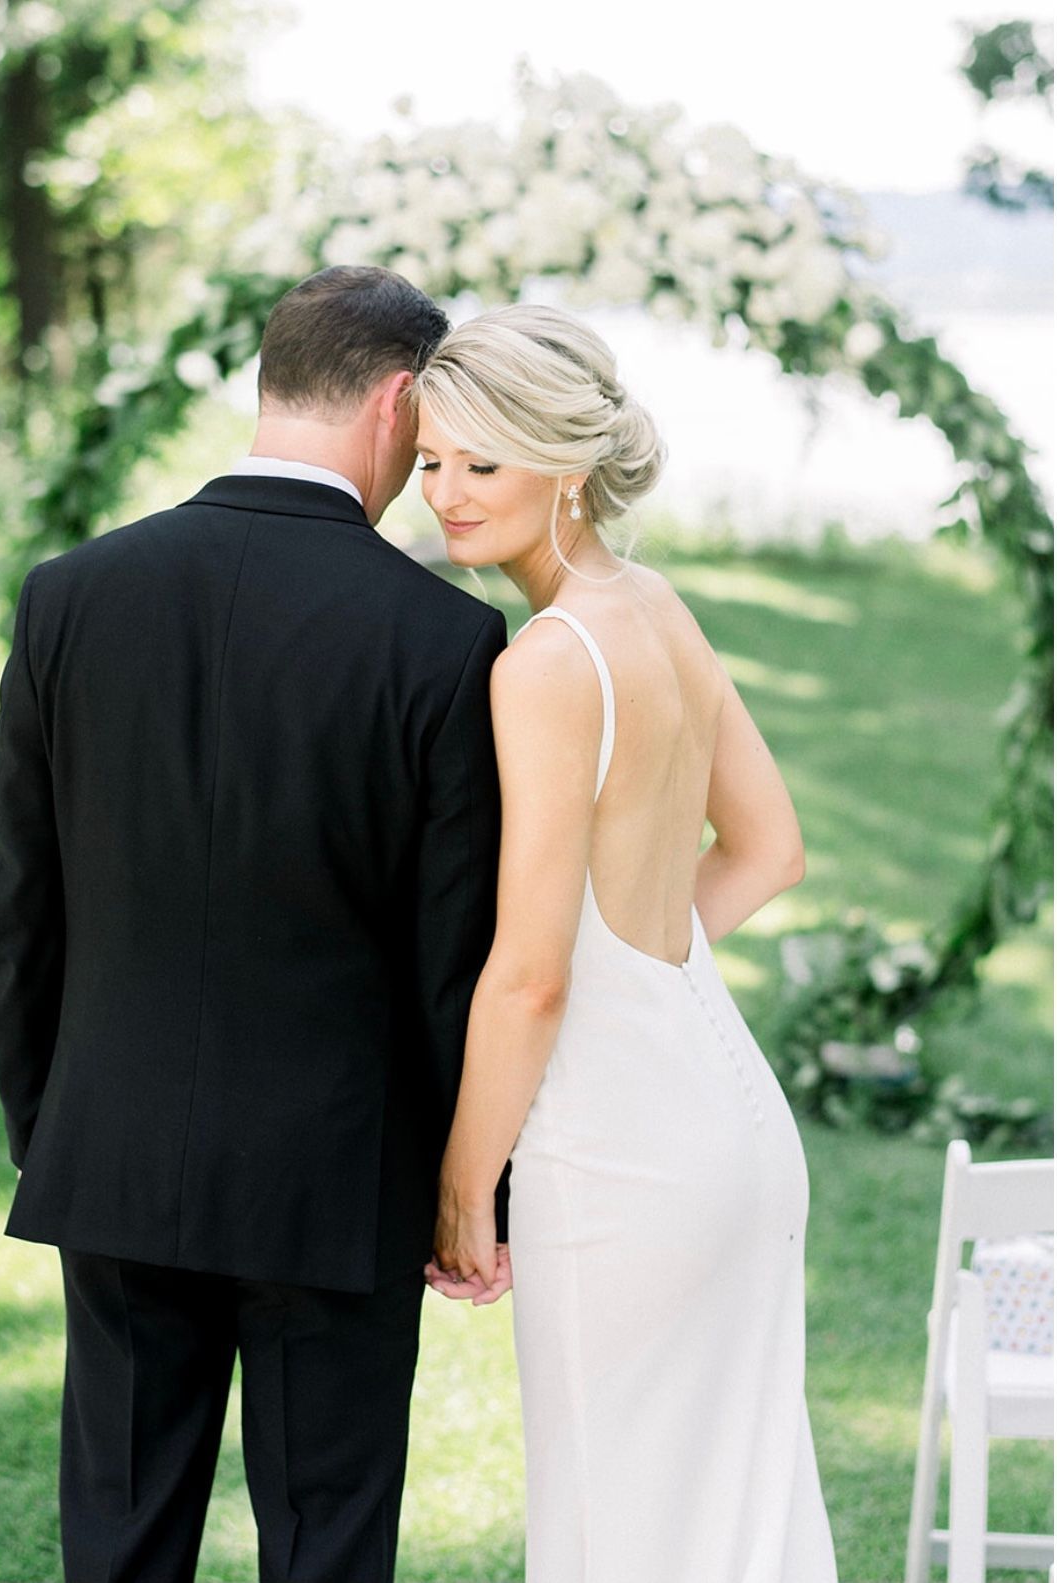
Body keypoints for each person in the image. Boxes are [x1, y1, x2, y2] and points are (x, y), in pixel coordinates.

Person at [0, 264, 510, 1583]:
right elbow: (456, 955)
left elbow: (23, 907)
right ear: (400, 399)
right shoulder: (445, 641)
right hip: (340, 1183)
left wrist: (48, 1123)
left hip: (115, 1153)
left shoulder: (68, 594)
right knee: (328, 1544)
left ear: (269, 382)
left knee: (119, 1538)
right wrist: (467, 1189)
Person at [416, 304, 840, 1580]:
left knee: (614, 1531)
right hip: (735, 1132)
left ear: (569, 466)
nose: (446, 494)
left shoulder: (544, 663)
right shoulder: (655, 605)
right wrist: (645, 976)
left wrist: (459, 1183)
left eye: (483, 462)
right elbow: (768, 848)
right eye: (432, 460)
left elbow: (532, 971)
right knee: (740, 1525)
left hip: (619, 1166)